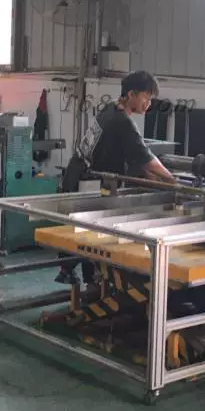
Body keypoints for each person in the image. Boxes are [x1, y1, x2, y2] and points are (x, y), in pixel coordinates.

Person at [57, 71, 176, 285]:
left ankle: (82, 276)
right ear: (131, 94)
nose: (149, 104)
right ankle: (90, 278)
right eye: (146, 97)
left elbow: (131, 154)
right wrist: (172, 181)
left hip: (77, 173)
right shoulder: (122, 121)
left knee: (87, 231)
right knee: (92, 232)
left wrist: (151, 175)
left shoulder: (111, 108)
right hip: (88, 180)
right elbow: (145, 158)